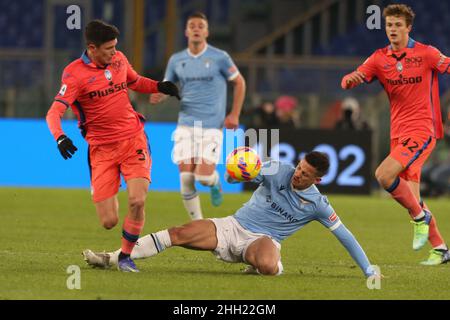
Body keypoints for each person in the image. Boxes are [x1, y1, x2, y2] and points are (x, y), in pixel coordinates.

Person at [82, 151, 379, 278]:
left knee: (265, 265)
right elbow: (248, 173)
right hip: (232, 226)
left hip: (265, 239)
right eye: (300, 168)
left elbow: (345, 236)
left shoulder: (318, 205)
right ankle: (112, 257)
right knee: (179, 233)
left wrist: (367, 269)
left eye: (305, 175)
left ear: (318, 180)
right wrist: (237, 175)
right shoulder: (279, 168)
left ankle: (272, 265)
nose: (297, 175)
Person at [46, 20, 180, 272]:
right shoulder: (74, 74)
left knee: (137, 201)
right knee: (108, 221)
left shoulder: (119, 59)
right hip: (101, 150)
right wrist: (60, 137)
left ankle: (125, 257)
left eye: (115, 46)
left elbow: (136, 81)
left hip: (133, 140)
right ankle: (105, 188)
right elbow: (53, 112)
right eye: (108, 48)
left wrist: (160, 86)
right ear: (92, 48)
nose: (114, 52)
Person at [341, 4, 450, 265]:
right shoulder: (379, 58)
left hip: (423, 129)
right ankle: (441, 248)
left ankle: (419, 219)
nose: (392, 29)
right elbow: (347, 80)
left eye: (398, 25)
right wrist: (351, 80)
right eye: (389, 25)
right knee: (411, 195)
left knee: (383, 174)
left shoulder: (426, 53)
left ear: (408, 27)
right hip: (398, 133)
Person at [149, 12, 246, 220]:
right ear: (186, 31)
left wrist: (234, 114)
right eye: (192, 25)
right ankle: (198, 224)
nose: (196, 28)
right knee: (185, 178)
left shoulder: (220, 57)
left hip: (212, 125)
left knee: (202, 177)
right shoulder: (176, 60)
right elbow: (169, 87)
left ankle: (215, 182)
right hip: (185, 123)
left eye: (200, 26)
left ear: (207, 32)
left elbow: (240, 82)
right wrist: (162, 95)